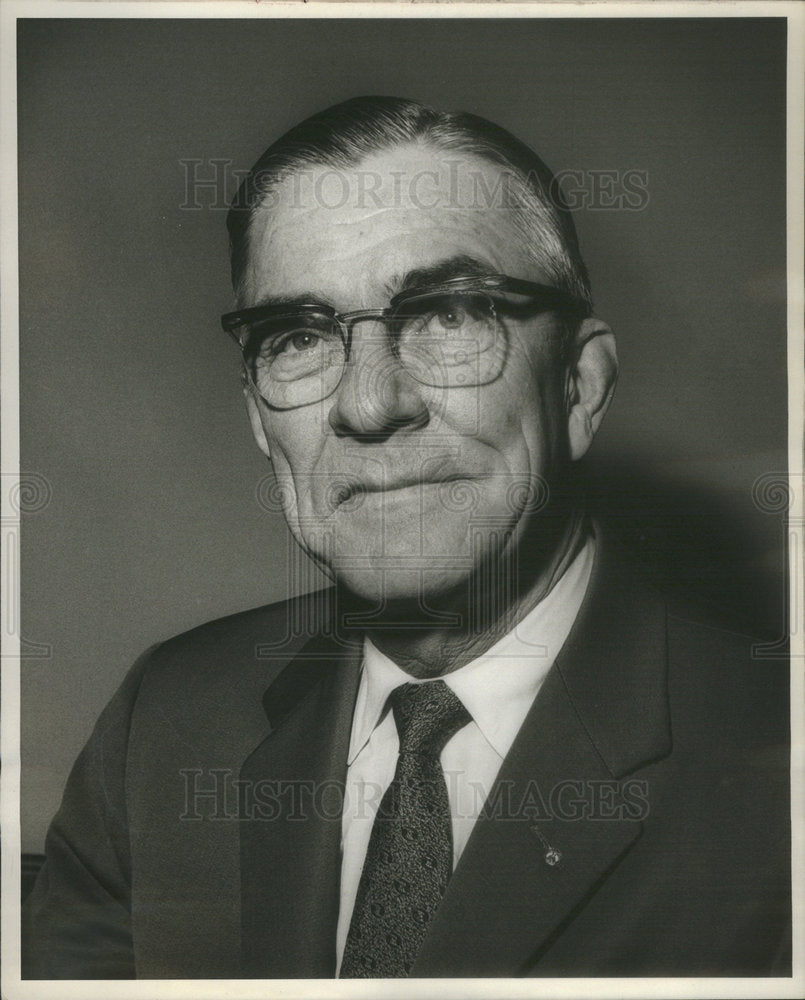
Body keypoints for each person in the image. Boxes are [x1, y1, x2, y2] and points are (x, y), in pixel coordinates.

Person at [22, 96, 790, 979]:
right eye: (299, 336)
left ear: (578, 386)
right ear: (259, 421)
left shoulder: (774, 769)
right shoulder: (167, 723)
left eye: (450, 315)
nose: (368, 403)